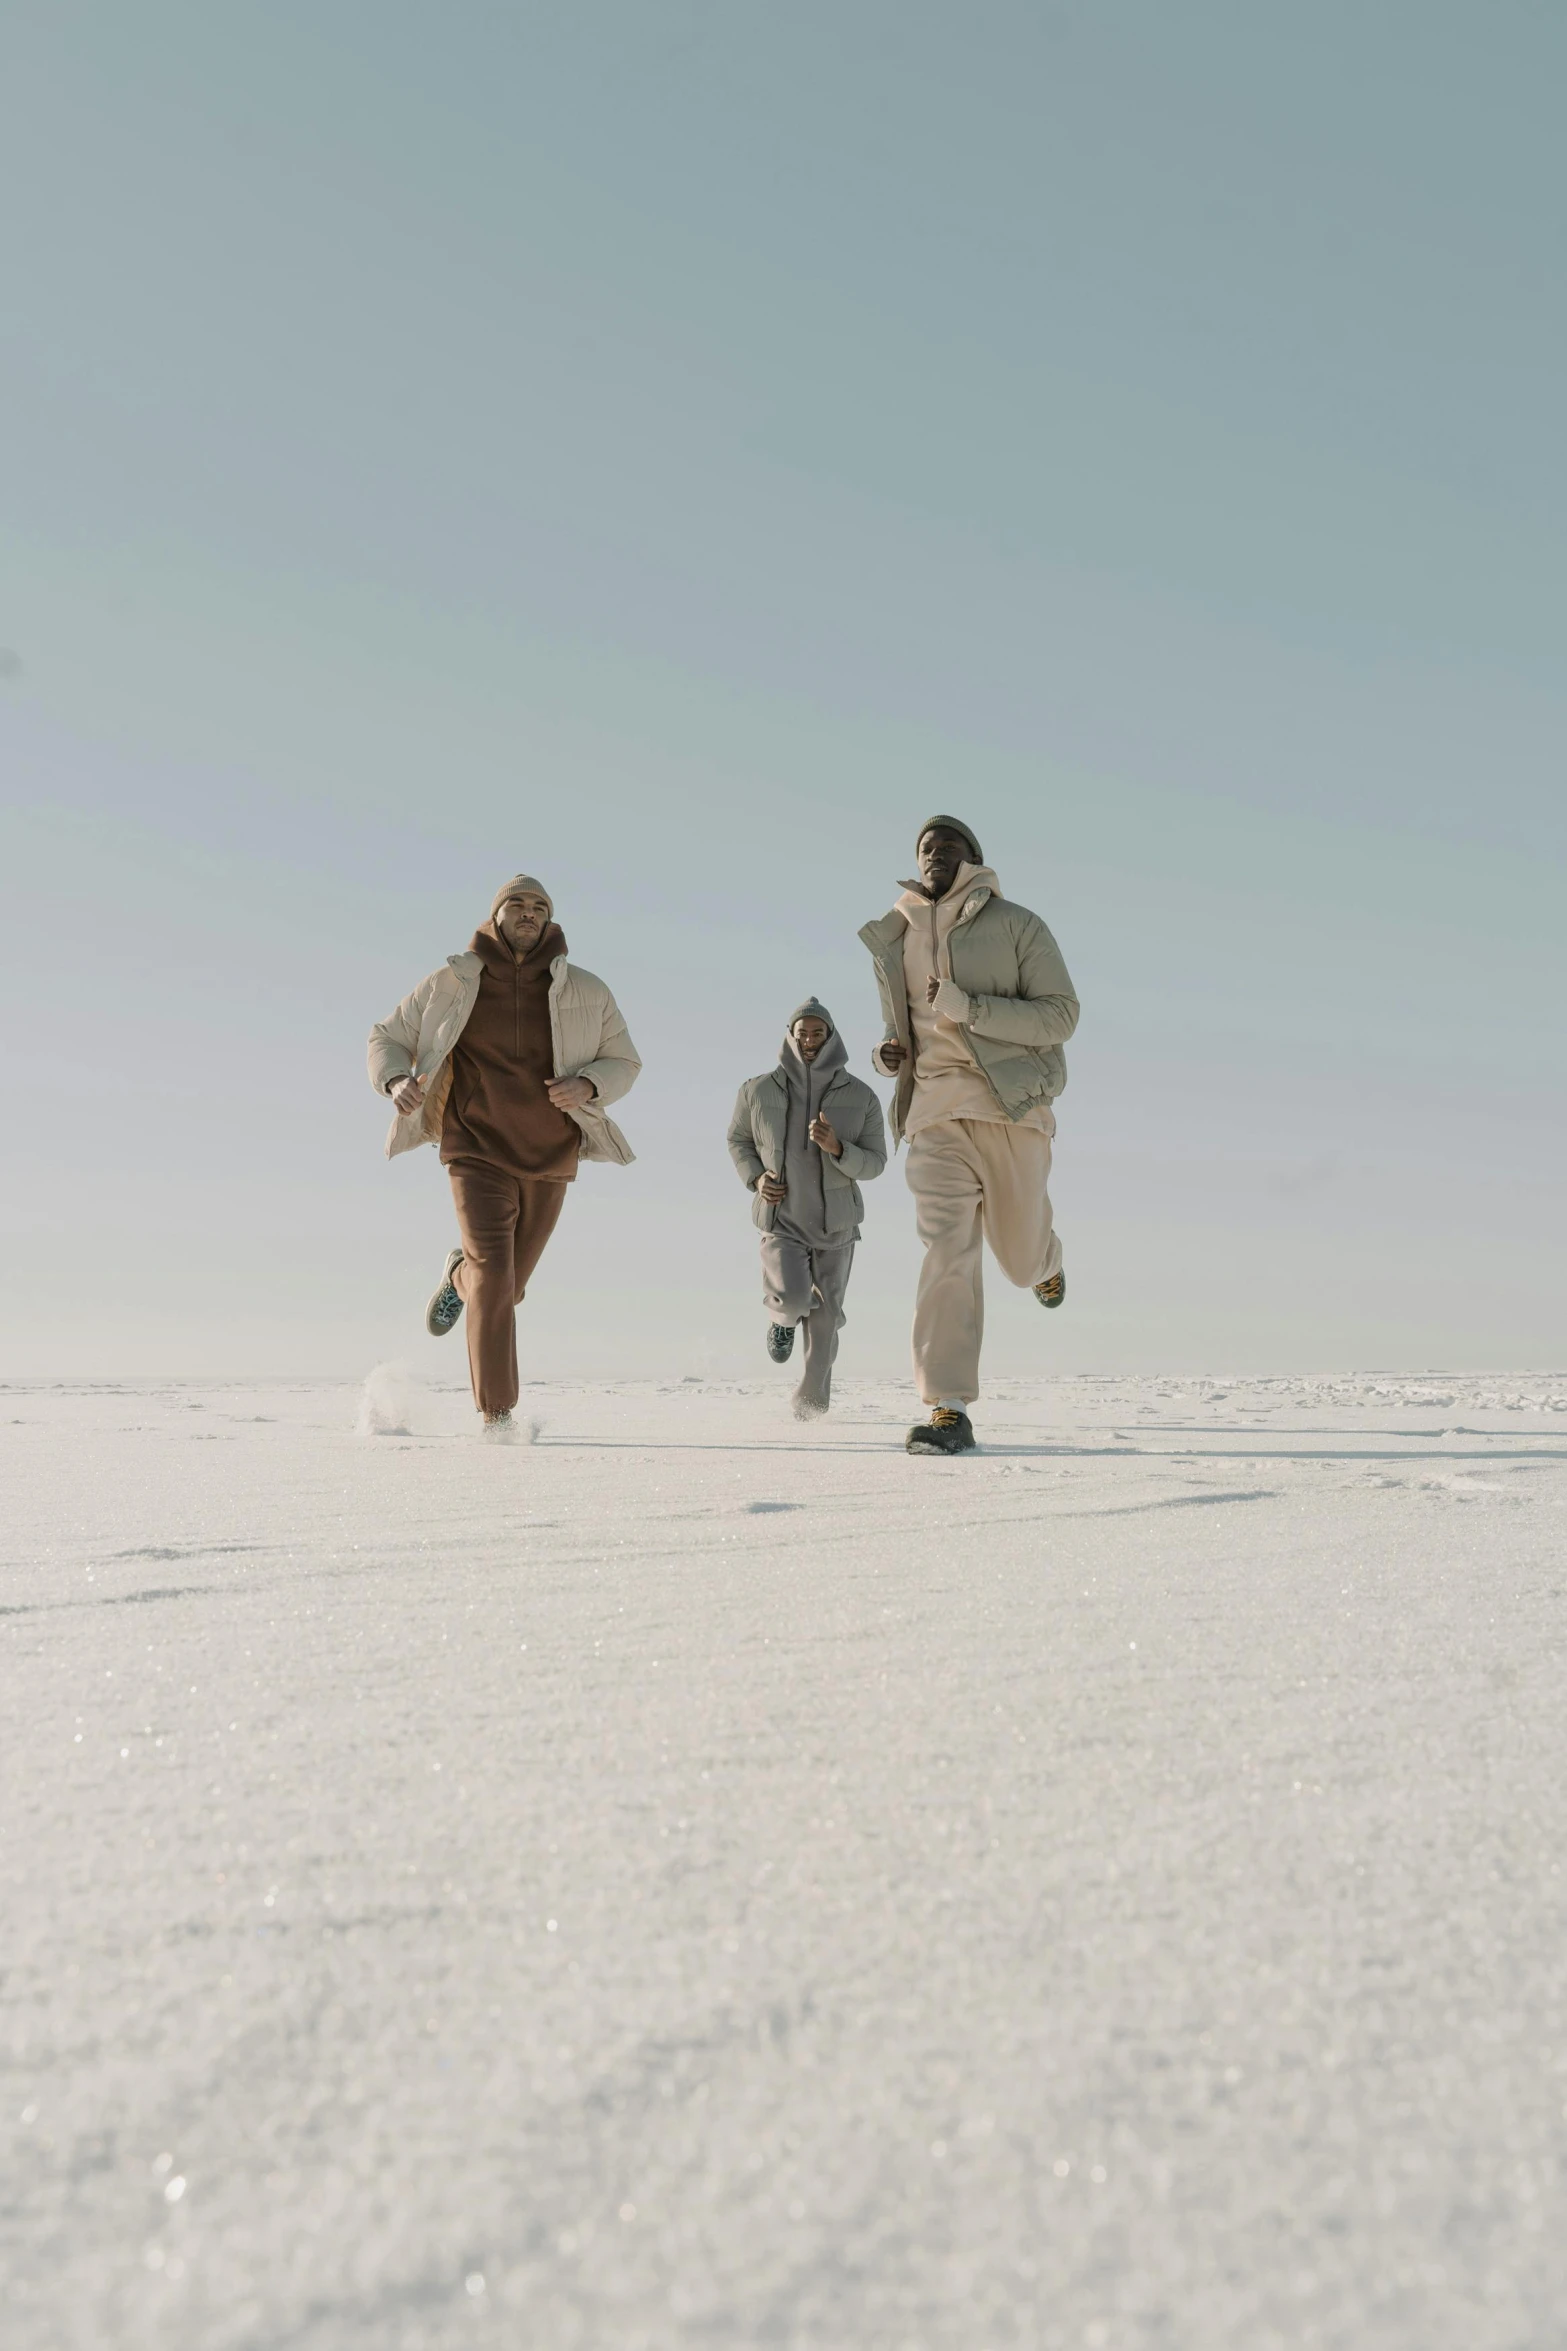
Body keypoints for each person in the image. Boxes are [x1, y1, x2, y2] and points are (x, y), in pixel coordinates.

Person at [367, 875, 641, 1434]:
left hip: (550, 1152)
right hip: (474, 1146)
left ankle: (458, 1277)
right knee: (496, 1279)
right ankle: (498, 1418)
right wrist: (395, 1080)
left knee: (506, 1289)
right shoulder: (452, 980)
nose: (529, 914)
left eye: (540, 907)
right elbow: (386, 1036)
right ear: (495, 916)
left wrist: (589, 1084)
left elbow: (624, 1060)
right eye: (517, 905)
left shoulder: (586, 989)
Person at [860, 818, 1078, 1455]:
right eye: (925, 846)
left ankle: (1046, 1260)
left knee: (1016, 1256)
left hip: (1011, 1109)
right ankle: (947, 1406)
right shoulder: (893, 932)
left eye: (948, 845)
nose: (934, 854)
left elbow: (1061, 1015)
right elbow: (901, 1027)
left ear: (975, 860)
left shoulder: (1017, 924)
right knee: (945, 1252)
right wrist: (887, 1056)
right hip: (932, 1114)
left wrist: (970, 1008)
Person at [727, 998, 887, 1418]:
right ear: (790, 1037)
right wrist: (757, 1179)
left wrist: (838, 1148)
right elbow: (738, 1140)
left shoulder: (862, 1096)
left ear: (831, 1037)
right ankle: (782, 1321)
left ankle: (810, 1410)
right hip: (783, 1220)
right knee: (795, 1298)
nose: (810, 1041)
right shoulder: (757, 1090)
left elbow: (876, 1162)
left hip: (837, 1226)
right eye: (803, 1034)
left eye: (818, 1034)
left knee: (826, 1321)